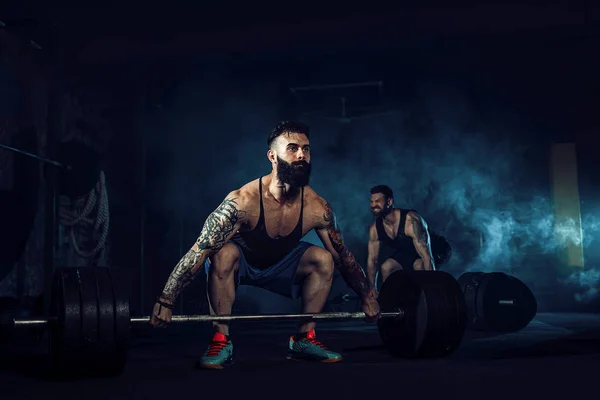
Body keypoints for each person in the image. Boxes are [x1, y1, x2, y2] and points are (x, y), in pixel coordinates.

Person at [150, 121, 380, 369]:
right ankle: (220, 339)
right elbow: (199, 250)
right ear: (272, 155)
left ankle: (304, 338)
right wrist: (166, 300)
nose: (302, 154)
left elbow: (343, 257)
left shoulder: (317, 207)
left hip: (282, 265)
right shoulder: (242, 202)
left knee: (324, 258)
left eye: (306, 149)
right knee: (222, 252)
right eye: (292, 148)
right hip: (243, 262)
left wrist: (367, 295)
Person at [367, 185, 436, 290]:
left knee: (420, 267)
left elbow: (427, 257)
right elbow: (372, 260)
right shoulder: (375, 229)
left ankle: (422, 299)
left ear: (389, 202)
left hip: (429, 252)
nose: (373, 205)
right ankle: (392, 302)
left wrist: (433, 288)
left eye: (377, 201)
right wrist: (372, 289)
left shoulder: (411, 221)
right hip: (406, 253)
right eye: (371, 202)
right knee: (386, 267)